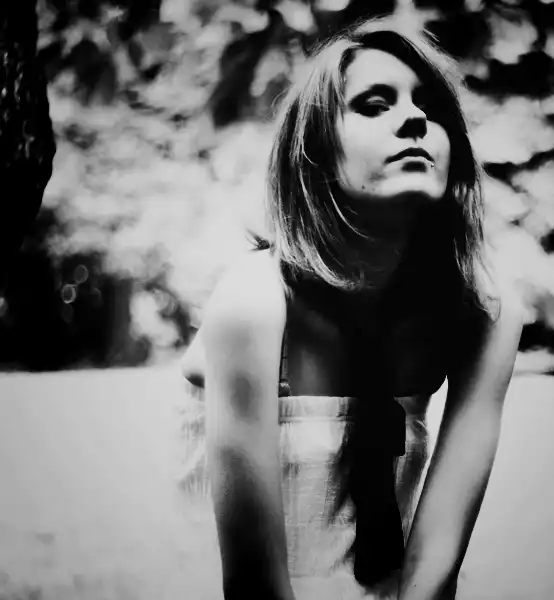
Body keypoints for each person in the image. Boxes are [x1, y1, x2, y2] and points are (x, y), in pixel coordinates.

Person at [181, 14, 522, 600]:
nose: (415, 119)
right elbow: (253, 585)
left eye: (430, 108)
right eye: (373, 104)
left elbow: (435, 571)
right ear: (315, 153)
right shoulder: (253, 302)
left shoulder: (483, 312)